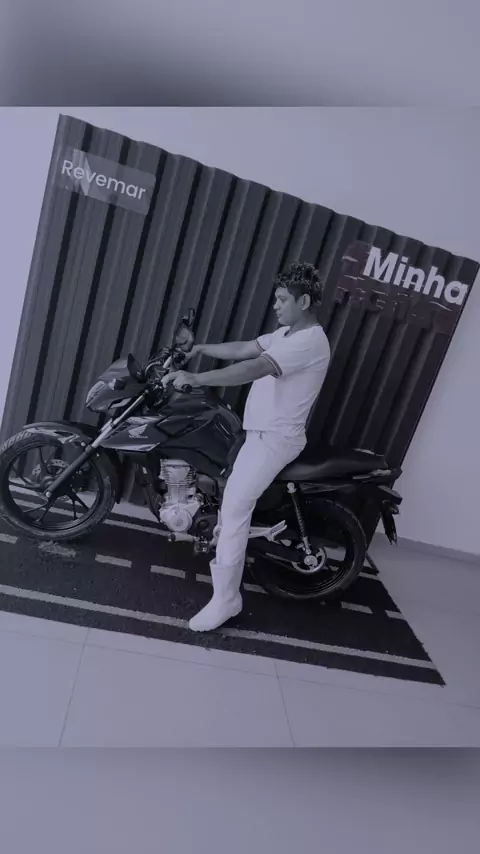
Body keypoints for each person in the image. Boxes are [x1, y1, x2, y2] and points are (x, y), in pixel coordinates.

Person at [162, 262, 331, 632]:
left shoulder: (309, 341)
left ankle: (227, 600)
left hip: (275, 440)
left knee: (236, 509)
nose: (276, 305)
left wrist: (196, 378)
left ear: (304, 301)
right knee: (227, 501)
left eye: (283, 299)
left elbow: (254, 367)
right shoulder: (286, 333)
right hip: (256, 434)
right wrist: (198, 349)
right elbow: (244, 348)